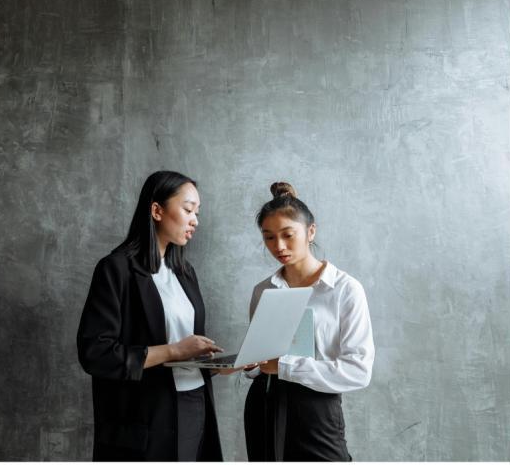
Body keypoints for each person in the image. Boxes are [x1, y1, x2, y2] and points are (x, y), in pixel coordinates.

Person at [77, 170, 229, 461]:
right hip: (145, 416)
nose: (195, 220)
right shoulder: (116, 269)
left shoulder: (185, 273)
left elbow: (186, 349)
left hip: (195, 402)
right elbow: (95, 353)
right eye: (187, 210)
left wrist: (217, 364)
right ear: (157, 210)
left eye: (197, 212)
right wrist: (173, 351)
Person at [243, 182, 375, 461]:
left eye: (288, 235)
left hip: (316, 408)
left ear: (310, 231)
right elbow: (261, 359)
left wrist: (284, 366)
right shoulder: (263, 290)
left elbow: (358, 370)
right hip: (265, 401)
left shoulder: (344, 289)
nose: (278, 246)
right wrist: (250, 364)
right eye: (268, 237)